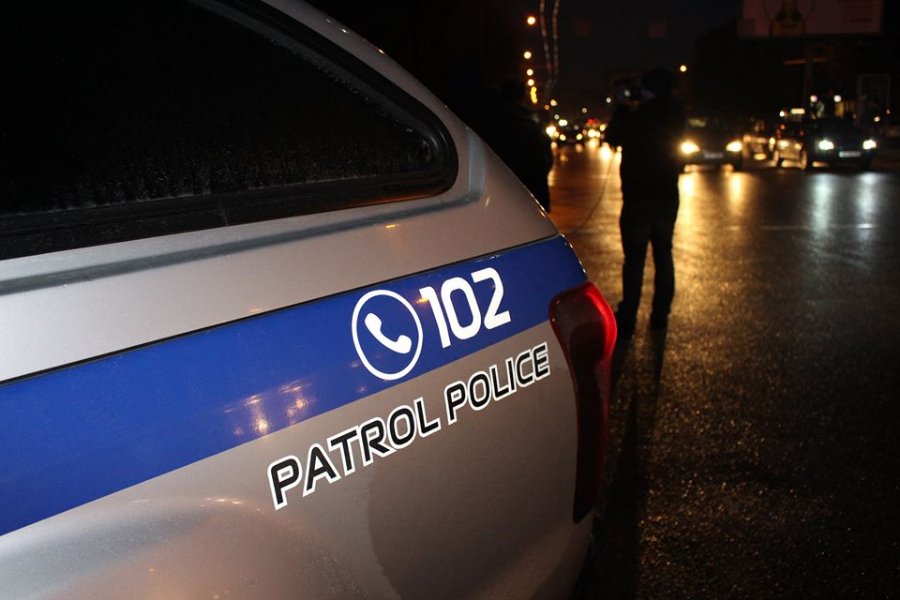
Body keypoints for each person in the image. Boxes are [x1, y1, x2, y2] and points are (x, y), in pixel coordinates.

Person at [604, 67, 686, 337]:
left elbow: (613, 137)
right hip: (667, 195)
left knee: (634, 260)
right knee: (664, 255)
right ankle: (660, 315)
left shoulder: (637, 116)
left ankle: (628, 315)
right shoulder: (676, 113)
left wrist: (622, 107)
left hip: (638, 197)